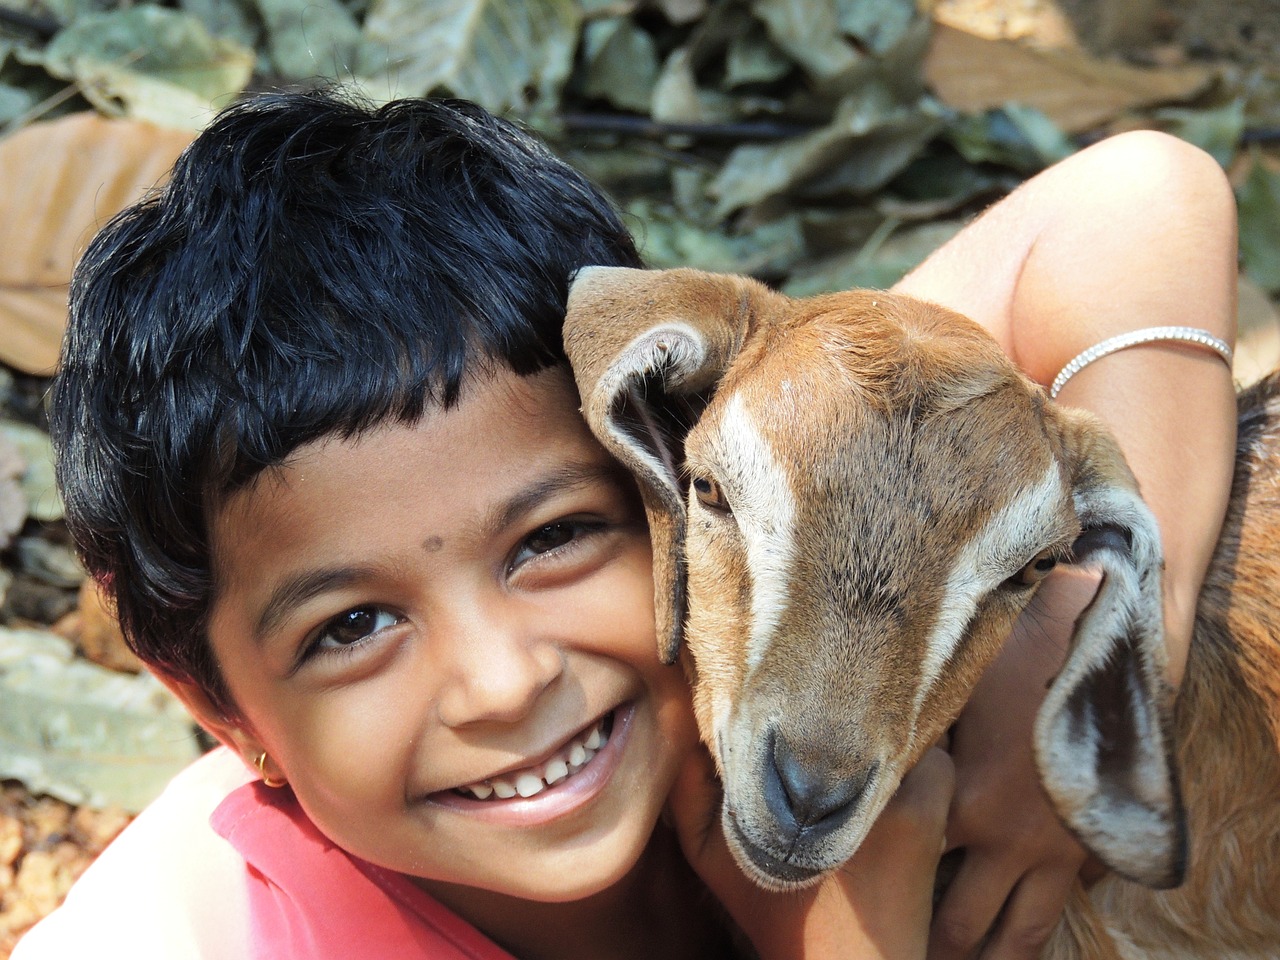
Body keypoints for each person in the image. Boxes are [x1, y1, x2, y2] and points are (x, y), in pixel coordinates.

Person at [14, 86, 1236, 960]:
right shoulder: (191, 939)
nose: (500, 681)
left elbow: (1140, 194)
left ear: (653, 440)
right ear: (221, 712)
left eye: (549, 540)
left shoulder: (769, 513)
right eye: (353, 625)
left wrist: (1072, 659)